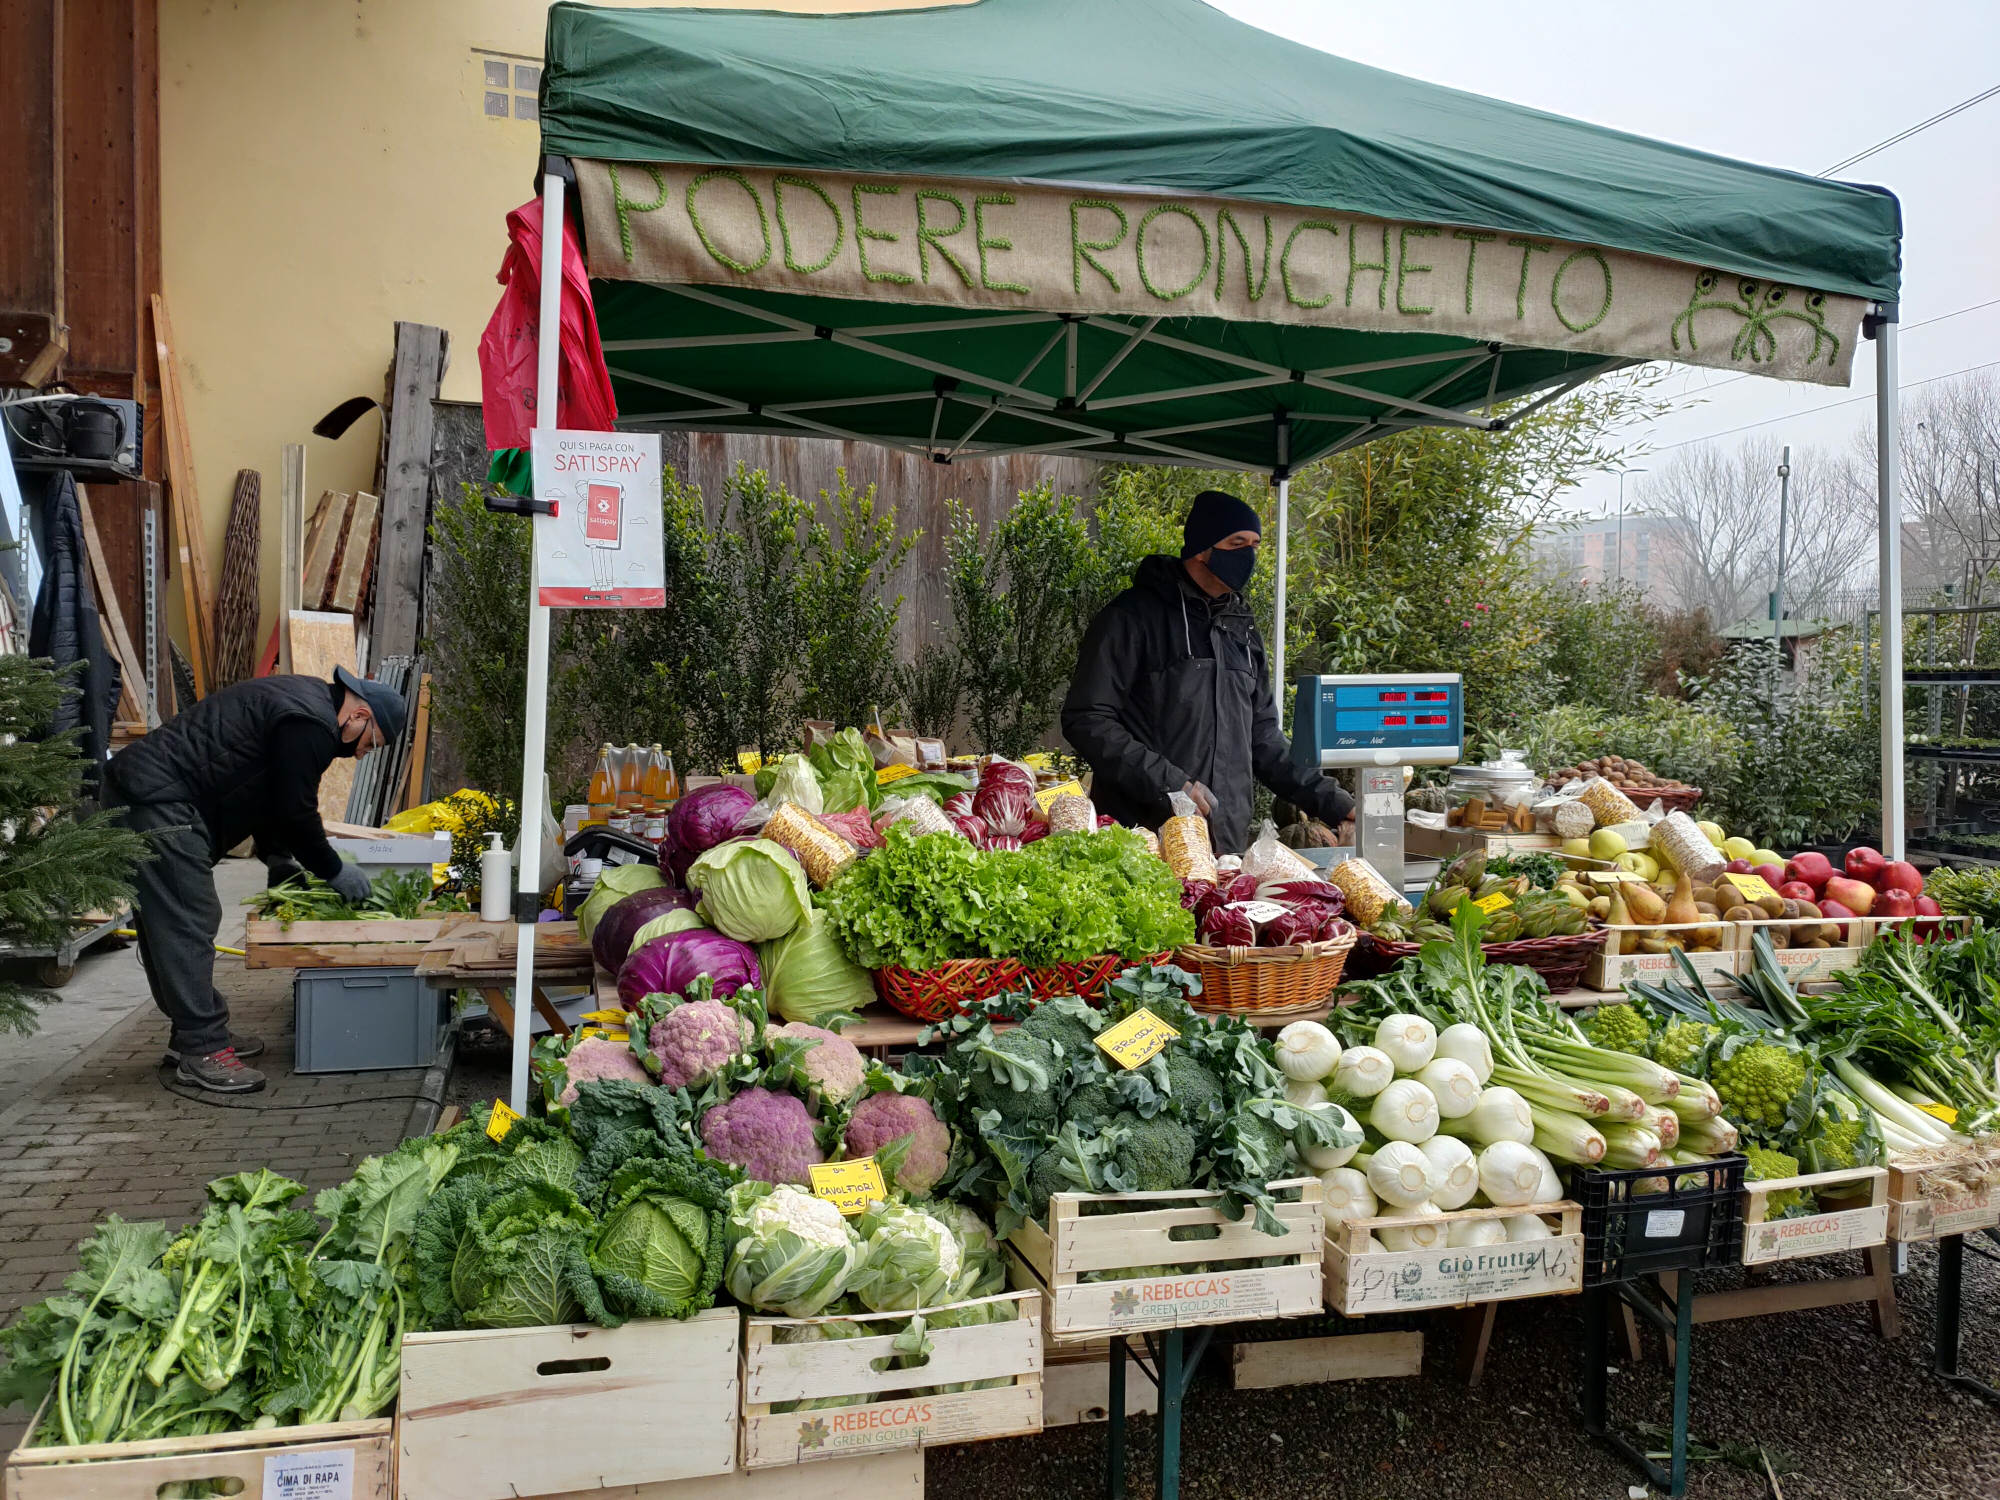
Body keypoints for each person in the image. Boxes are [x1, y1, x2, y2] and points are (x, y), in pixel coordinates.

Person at [104, 667, 406, 1094]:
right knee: (189, 918)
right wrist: (333, 869)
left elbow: (268, 791)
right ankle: (202, 1047)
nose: (361, 754)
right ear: (358, 714)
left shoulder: (307, 705)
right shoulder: (311, 724)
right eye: (370, 743)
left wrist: (279, 859)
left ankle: (194, 1034)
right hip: (159, 799)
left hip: (155, 792)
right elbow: (296, 810)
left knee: (170, 921)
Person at [1062, 490, 1354, 855]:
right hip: (1144, 840)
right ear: (1201, 548)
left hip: (1224, 843)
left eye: (1255, 544)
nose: (1249, 555)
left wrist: (1336, 803)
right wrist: (1171, 784)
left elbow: (1263, 738)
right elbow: (1087, 719)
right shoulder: (1132, 618)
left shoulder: (1242, 629)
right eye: (1237, 543)